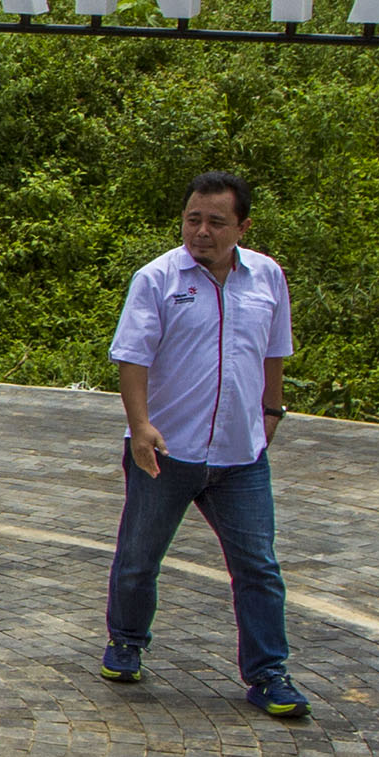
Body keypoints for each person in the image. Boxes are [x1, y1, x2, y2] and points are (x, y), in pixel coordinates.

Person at [103, 172, 305, 719]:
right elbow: (132, 357)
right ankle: (126, 640)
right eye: (194, 219)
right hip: (166, 450)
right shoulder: (157, 279)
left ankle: (268, 674)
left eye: (217, 222)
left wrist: (270, 410)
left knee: (258, 566)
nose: (202, 231)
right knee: (139, 559)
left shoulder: (267, 277)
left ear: (242, 226)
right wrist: (140, 426)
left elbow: (274, 350)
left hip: (241, 456)